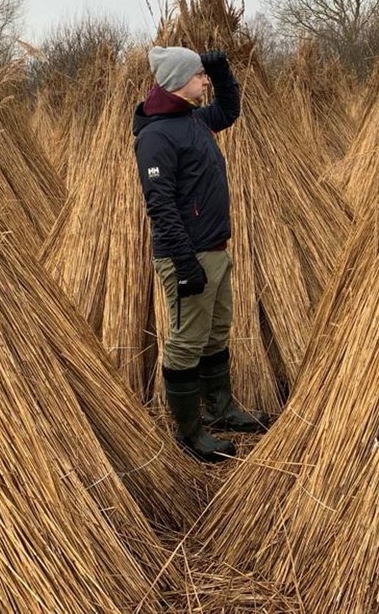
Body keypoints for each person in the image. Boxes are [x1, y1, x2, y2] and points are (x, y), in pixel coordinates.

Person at [132, 45, 267, 463]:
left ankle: (221, 409)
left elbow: (228, 110)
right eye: (198, 76)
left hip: (215, 250)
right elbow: (161, 206)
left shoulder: (192, 120)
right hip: (187, 256)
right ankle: (190, 432)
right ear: (177, 81)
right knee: (186, 342)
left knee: (215, 332)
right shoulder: (155, 136)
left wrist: (219, 68)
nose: (204, 81)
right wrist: (185, 264)